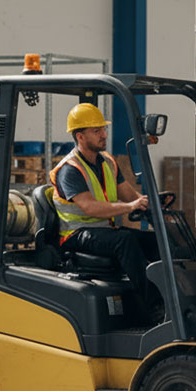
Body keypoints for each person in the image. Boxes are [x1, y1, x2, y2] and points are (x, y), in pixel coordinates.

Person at [49, 103, 158, 304]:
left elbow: (129, 194)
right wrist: (129, 207)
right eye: (96, 131)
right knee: (124, 240)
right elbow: (90, 207)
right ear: (80, 137)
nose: (104, 135)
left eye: (104, 129)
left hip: (104, 231)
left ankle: (171, 297)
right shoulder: (70, 169)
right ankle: (153, 306)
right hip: (76, 235)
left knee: (156, 241)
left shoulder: (107, 162)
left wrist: (150, 207)